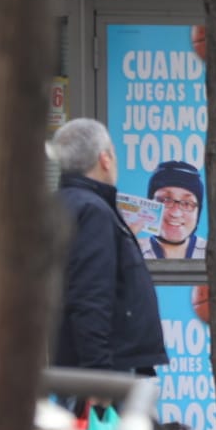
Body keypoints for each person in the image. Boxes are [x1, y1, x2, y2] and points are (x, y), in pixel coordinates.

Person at [52, 118, 168, 381]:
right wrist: (99, 377)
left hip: (87, 364)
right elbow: (90, 296)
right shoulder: (93, 211)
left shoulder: (65, 204)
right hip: (111, 369)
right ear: (105, 159)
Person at [141, 158, 206, 259]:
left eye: (187, 203)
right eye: (165, 200)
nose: (176, 213)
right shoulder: (132, 254)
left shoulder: (214, 256)